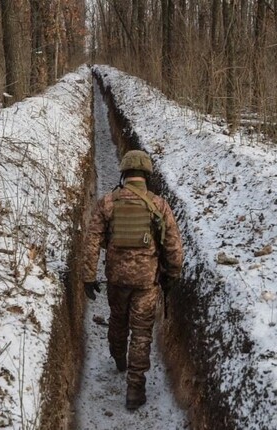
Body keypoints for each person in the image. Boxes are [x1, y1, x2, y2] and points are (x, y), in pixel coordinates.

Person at [81, 149, 184, 410]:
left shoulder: (108, 202)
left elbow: (92, 240)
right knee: (141, 333)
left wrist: (88, 277)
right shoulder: (158, 205)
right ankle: (135, 389)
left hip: (116, 279)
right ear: (146, 174)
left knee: (117, 320)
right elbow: (173, 248)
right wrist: (173, 276)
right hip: (146, 282)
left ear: (124, 173)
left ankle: (118, 357)